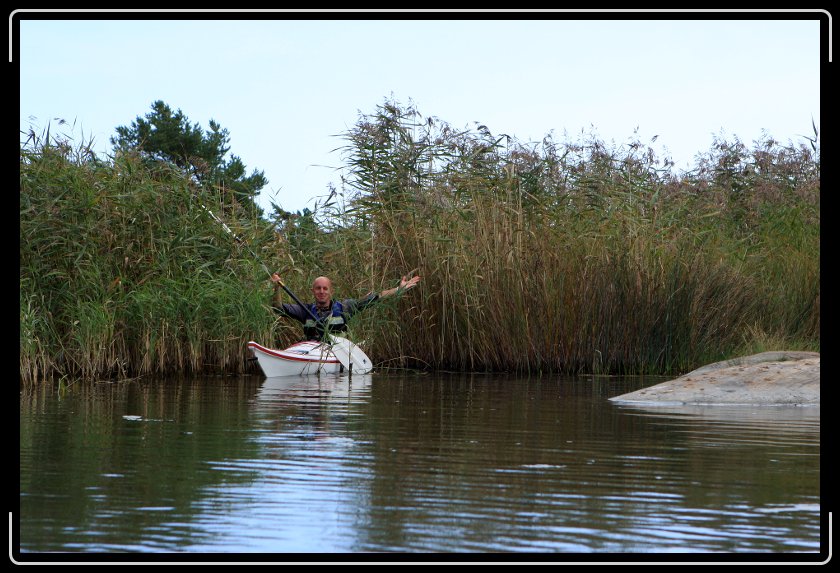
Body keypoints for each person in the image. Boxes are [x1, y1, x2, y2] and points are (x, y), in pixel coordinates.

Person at [270, 273, 421, 341]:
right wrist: (276, 288)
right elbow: (277, 308)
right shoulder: (304, 310)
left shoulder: (345, 307)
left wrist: (398, 289)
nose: (321, 292)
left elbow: (376, 298)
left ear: (331, 291)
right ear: (313, 291)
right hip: (312, 351)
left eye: (325, 288)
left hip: (338, 352)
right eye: (318, 288)